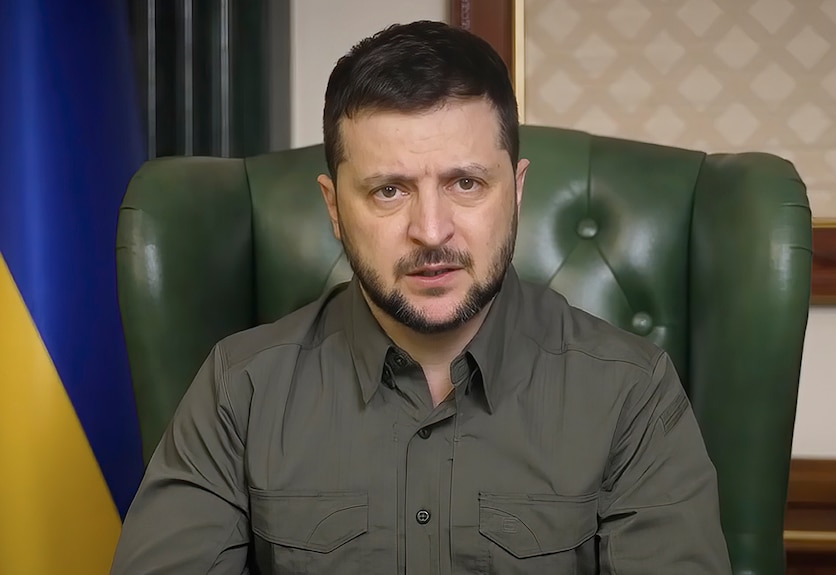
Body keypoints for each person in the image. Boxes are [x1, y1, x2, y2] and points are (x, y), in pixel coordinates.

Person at [110, 20, 731, 574]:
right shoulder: (237, 389)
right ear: (333, 207)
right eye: (388, 191)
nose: (431, 231)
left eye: (465, 183)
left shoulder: (633, 394)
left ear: (515, 191)